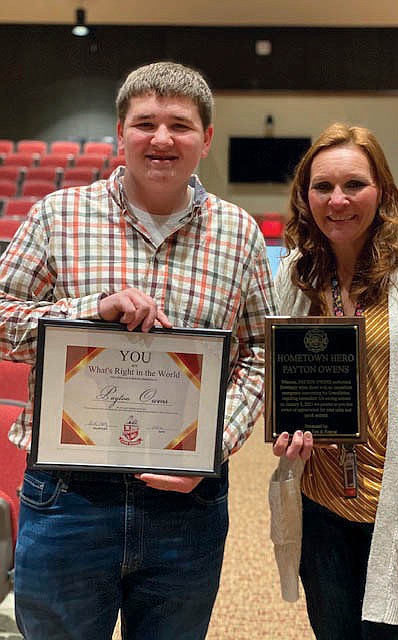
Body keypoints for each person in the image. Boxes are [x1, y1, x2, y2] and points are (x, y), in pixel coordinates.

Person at [0, 61, 276, 640]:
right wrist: (88, 311)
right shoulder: (58, 215)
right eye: (145, 122)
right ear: (119, 134)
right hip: (68, 495)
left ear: (206, 138)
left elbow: (257, 357)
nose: (161, 139)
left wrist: (214, 446)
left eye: (180, 124)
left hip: (187, 504)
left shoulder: (241, 233)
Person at [270, 122, 398, 639]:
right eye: (322, 187)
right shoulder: (298, 273)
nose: (337, 200)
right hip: (322, 509)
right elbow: (285, 380)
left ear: (382, 191)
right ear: (305, 195)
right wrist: (286, 431)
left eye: (354, 185)